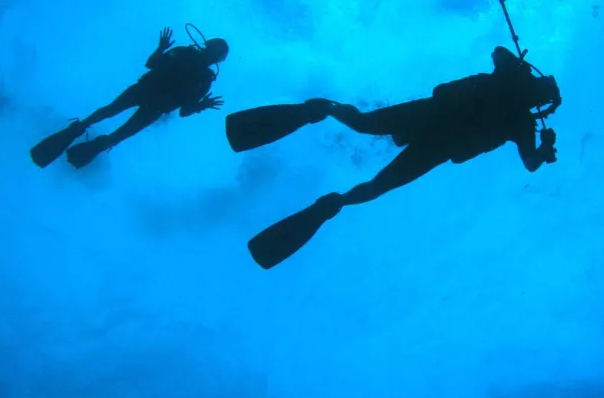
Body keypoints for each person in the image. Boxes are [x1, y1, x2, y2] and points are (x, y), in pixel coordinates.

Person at [226, 45, 562, 268]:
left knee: (377, 179)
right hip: (433, 123)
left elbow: (530, 162)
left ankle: (333, 201)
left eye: (541, 91)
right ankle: (323, 109)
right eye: (541, 86)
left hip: (438, 142)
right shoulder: (514, 89)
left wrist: (543, 148)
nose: (536, 92)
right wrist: (520, 73)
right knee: (364, 127)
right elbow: (499, 52)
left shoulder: (521, 119)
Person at [31, 28, 227, 170]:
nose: (209, 55)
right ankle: (78, 148)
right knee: (114, 127)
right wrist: (200, 106)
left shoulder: (195, 68)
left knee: (111, 119)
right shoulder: (201, 75)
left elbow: (153, 66)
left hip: (147, 97)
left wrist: (200, 105)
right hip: (150, 101)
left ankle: (75, 142)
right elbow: (183, 109)